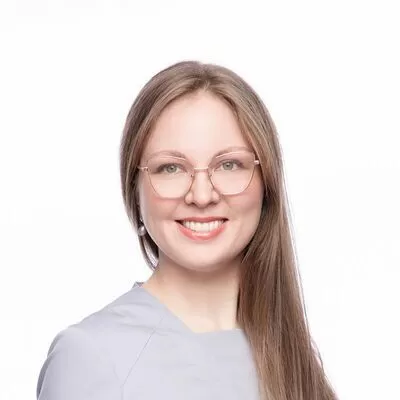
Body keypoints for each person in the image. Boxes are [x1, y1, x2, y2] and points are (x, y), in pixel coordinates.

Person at [36, 60, 337, 400]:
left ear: (266, 182)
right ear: (135, 189)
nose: (202, 195)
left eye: (229, 164)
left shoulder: (292, 353)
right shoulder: (90, 357)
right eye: (171, 168)